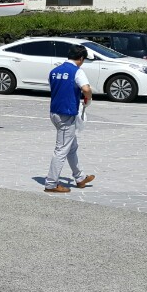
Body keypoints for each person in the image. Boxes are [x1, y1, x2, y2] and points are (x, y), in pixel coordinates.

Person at [45, 44, 96, 193]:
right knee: (61, 150)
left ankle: (80, 178)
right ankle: (51, 183)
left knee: (72, 147)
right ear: (81, 58)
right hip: (67, 114)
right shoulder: (77, 71)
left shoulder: (54, 71)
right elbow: (86, 89)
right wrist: (89, 99)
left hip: (55, 112)